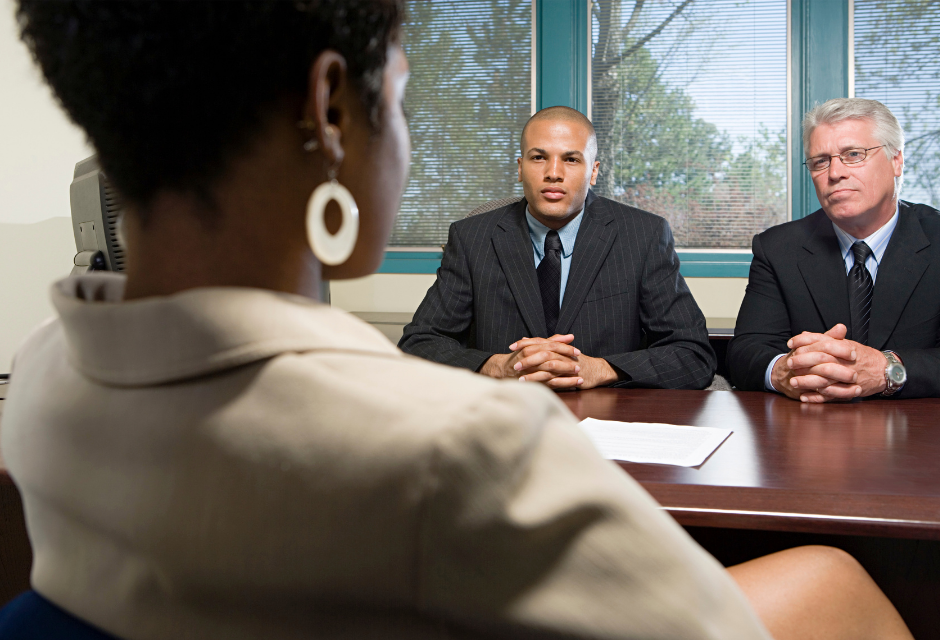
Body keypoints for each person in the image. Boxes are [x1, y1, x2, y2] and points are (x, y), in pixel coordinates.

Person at [1, 2, 913, 639]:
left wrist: (598, 367)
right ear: (330, 111)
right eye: (400, 100)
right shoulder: (459, 448)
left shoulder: (40, 384)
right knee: (832, 579)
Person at [399, 107, 716, 390]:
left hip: (607, 424)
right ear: (520, 167)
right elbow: (418, 345)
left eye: (571, 159)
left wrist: (598, 369)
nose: (553, 172)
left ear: (593, 172)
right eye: (539, 157)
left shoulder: (643, 235)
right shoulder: (472, 238)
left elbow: (693, 355)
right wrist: (497, 367)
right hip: (500, 417)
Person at [728, 97, 940, 402]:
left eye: (853, 154)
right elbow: (746, 352)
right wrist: (784, 370)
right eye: (820, 161)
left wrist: (888, 368)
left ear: (897, 161)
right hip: (810, 431)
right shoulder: (778, 248)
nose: (835, 172)